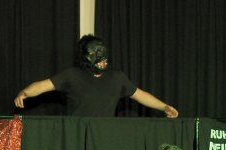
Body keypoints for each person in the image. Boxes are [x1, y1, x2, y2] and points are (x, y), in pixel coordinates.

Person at [14, 34, 179, 118]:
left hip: (104, 135)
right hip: (77, 134)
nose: (101, 59)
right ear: (86, 57)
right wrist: (25, 93)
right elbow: (43, 85)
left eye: (103, 53)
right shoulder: (72, 75)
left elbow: (141, 95)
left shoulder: (117, 78)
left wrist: (164, 107)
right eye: (95, 53)